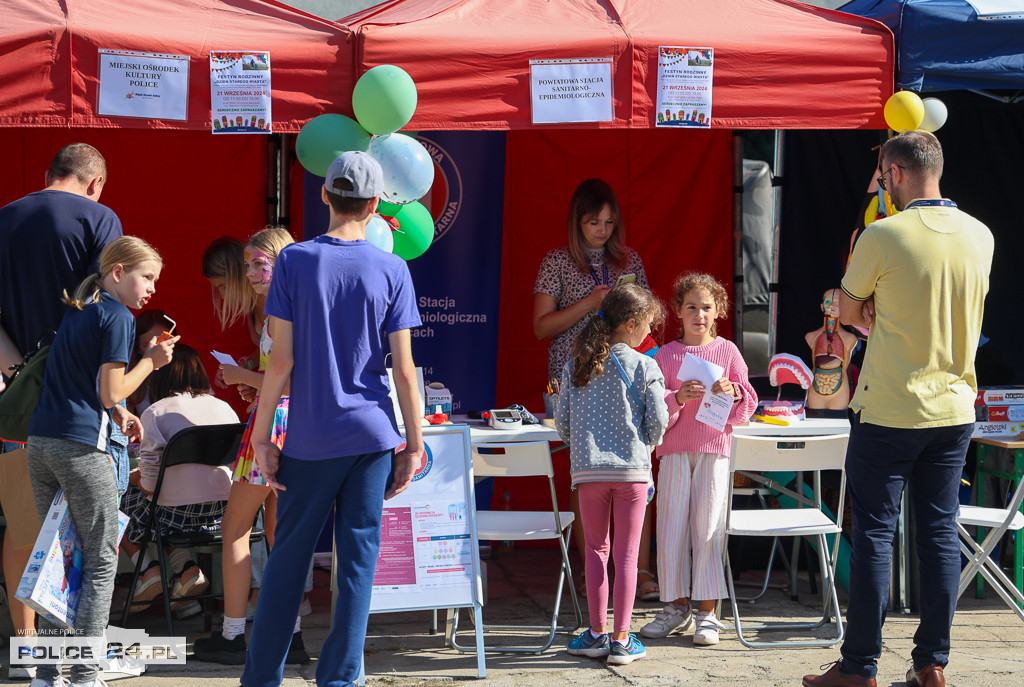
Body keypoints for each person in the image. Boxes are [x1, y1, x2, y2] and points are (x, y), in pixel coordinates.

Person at [803, 132, 994, 687]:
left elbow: (847, 307)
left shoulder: (882, 235)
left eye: (883, 176)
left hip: (889, 406)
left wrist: (867, 299)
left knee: (875, 537)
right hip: (954, 406)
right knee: (938, 533)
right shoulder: (980, 234)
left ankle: (860, 666)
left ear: (895, 173)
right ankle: (931, 662)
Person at [239, 151, 424, 687]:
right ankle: (341, 679)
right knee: (357, 564)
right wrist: (412, 445)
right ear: (374, 205)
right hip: (370, 437)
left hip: (310, 438)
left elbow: (281, 361)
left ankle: (261, 678)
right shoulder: (393, 268)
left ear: (324, 195)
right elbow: (405, 373)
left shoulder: (294, 260)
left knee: (287, 563)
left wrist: (261, 434)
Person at [26, 236, 177, 687]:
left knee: (60, 556)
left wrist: (119, 412)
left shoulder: (80, 310)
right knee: (98, 560)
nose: (151, 288)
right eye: (146, 277)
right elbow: (110, 389)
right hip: (80, 449)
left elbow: (93, 387)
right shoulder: (117, 315)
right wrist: (151, 362)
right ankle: (87, 672)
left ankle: (49, 674)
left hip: (41, 444)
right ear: (117, 273)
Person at [0, 143, 123, 680]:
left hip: (17, 394)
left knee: (24, 523)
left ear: (49, 174)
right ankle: (74, 655)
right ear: (95, 183)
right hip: (77, 398)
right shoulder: (101, 218)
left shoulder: (5, 217)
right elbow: (105, 303)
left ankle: (29, 648)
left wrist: (13, 364)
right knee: (89, 535)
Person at [193, 227, 313, 666]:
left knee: (235, 530)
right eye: (247, 265)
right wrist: (252, 378)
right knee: (282, 537)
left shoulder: (283, 311)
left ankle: (232, 636)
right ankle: (291, 637)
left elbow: (289, 383)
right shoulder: (290, 307)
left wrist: (245, 379)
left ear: (280, 262)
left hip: (274, 427)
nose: (250, 273)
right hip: (291, 425)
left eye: (258, 263)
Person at [533, 178, 653, 595]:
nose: (602, 230)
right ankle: (591, 569)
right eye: (593, 223)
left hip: (624, 378)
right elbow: (540, 326)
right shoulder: (557, 261)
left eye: (608, 222)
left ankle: (640, 571)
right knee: (586, 475)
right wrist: (590, 303)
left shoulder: (629, 259)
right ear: (577, 223)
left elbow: (647, 322)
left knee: (637, 469)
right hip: (575, 377)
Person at [641, 272, 757, 647]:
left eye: (706, 307)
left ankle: (707, 612)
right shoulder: (666, 356)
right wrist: (677, 398)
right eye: (691, 307)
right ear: (678, 311)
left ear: (718, 311)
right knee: (672, 528)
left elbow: (748, 405)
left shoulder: (728, 352)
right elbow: (652, 412)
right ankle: (675, 607)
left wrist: (734, 390)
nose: (699, 315)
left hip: (714, 450)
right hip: (674, 453)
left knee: (708, 528)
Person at [555, 284, 669, 666]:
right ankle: (622, 639)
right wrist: (648, 444)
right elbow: (658, 421)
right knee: (628, 555)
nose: (649, 333)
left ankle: (596, 634)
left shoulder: (576, 366)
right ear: (633, 323)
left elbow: (563, 425)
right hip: (633, 472)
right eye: (648, 326)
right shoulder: (646, 365)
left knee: (595, 552)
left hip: (588, 472)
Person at [120, 344, 238, 617]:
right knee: (166, 499)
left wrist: (135, 480)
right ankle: (186, 570)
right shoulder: (225, 409)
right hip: (222, 513)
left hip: (172, 514)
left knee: (113, 499)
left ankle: (148, 569)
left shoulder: (156, 412)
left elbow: (150, 486)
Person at [201, 236, 261, 389]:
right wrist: (248, 364)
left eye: (224, 286)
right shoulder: (251, 306)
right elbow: (269, 349)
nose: (222, 296)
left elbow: (285, 360)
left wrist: (246, 376)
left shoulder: (269, 299)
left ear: (240, 274)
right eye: (218, 288)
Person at [805, 288, 858, 411]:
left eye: (837, 303)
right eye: (828, 302)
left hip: (839, 387)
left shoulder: (850, 338)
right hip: (816, 387)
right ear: (822, 306)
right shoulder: (811, 337)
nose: (832, 306)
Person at [127, 309, 176, 416]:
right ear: (137, 348)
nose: (157, 350)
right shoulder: (127, 377)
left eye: (163, 343)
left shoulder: (185, 373)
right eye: (147, 345)